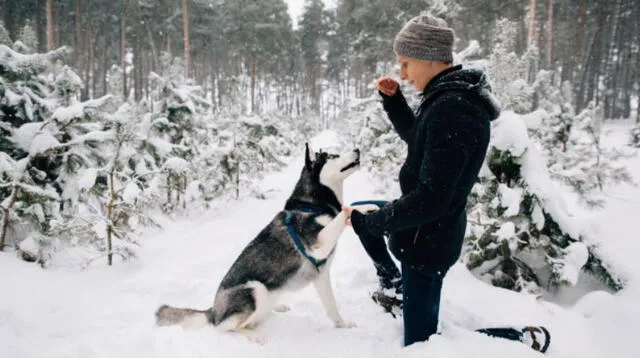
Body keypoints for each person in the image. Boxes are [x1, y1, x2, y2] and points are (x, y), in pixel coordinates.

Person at [342, 12, 500, 346]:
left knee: (422, 343)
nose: (403, 73)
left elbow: (432, 198)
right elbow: (420, 138)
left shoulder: (455, 109)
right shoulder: (446, 99)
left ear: (429, 59)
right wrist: (394, 102)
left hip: (427, 243)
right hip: (422, 227)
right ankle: (395, 285)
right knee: (359, 210)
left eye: (405, 63)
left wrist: (373, 225)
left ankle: (512, 339)